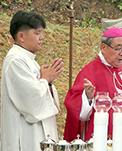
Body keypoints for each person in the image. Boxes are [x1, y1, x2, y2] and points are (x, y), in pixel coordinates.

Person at [64, 27, 122, 151]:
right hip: (104, 142)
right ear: (104, 48)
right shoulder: (90, 72)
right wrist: (88, 97)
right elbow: (76, 111)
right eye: (118, 48)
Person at [1, 10, 64, 151]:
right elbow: (31, 103)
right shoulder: (15, 61)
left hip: (39, 135)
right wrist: (45, 79)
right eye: (37, 33)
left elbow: (41, 91)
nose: (42, 37)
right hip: (25, 136)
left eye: (41, 33)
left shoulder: (29, 60)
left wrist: (48, 81)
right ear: (21, 36)